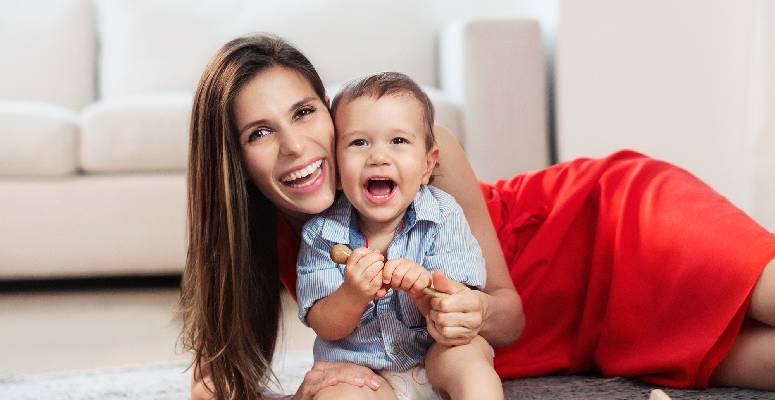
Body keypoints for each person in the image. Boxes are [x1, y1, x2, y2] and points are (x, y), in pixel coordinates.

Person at [180, 33, 775, 400]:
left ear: (331, 110)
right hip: (584, 344)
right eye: (260, 132)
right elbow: (213, 378)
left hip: (603, 223)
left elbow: (507, 314)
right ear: (232, 158)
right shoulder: (265, 237)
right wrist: (325, 383)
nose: (295, 147)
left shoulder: (411, 145)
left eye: (305, 113)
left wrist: (477, 307)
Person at [295, 72, 503, 400]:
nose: (378, 156)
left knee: (470, 359)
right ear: (336, 169)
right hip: (364, 372)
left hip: (436, 358)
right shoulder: (322, 235)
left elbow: (458, 303)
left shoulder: (443, 214)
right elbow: (324, 323)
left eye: (398, 141)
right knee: (337, 394)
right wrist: (351, 293)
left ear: (426, 165)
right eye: (359, 142)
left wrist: (424, 294)